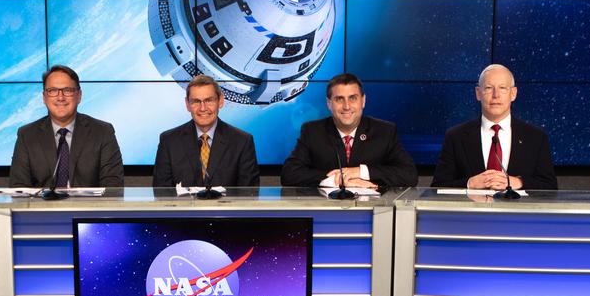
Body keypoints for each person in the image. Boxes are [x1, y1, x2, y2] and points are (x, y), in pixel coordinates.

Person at [280, 73, 417, 190]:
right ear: (329, 103)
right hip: (327, 209)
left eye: (353, 98)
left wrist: (361, 172)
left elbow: (409, 175)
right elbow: (289, 174)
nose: (346, 106)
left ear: (363, 101)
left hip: (373, 208)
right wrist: (338, 180)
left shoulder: (384, 131)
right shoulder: (312, 131)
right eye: (339, 99)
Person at [431, 64, 557, 191]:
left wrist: (519, 182)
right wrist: (469, 184)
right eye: (488, 88)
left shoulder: (536, 137)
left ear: (513, 93)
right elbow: (437, 188)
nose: (496, 95)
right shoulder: (455, 137)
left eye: (502, 88)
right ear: (478, 93)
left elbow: (550, 188)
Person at [9, 65, 124, 188]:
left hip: (89, 201)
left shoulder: (103, 132)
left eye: (67, 90)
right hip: (43, 201)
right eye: (52, 91)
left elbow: (113, 186)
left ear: (79, 96)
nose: (60, 97)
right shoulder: (27, 135)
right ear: (44, 97)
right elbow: (18, 187)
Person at [153, 75, 259, 189]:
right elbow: (161, 193)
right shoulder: (169, 141)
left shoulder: (242, 142)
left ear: (220, 101)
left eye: (209, 100)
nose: (203, 108)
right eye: (196, 101)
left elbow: (249, 194)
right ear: (187, 104)